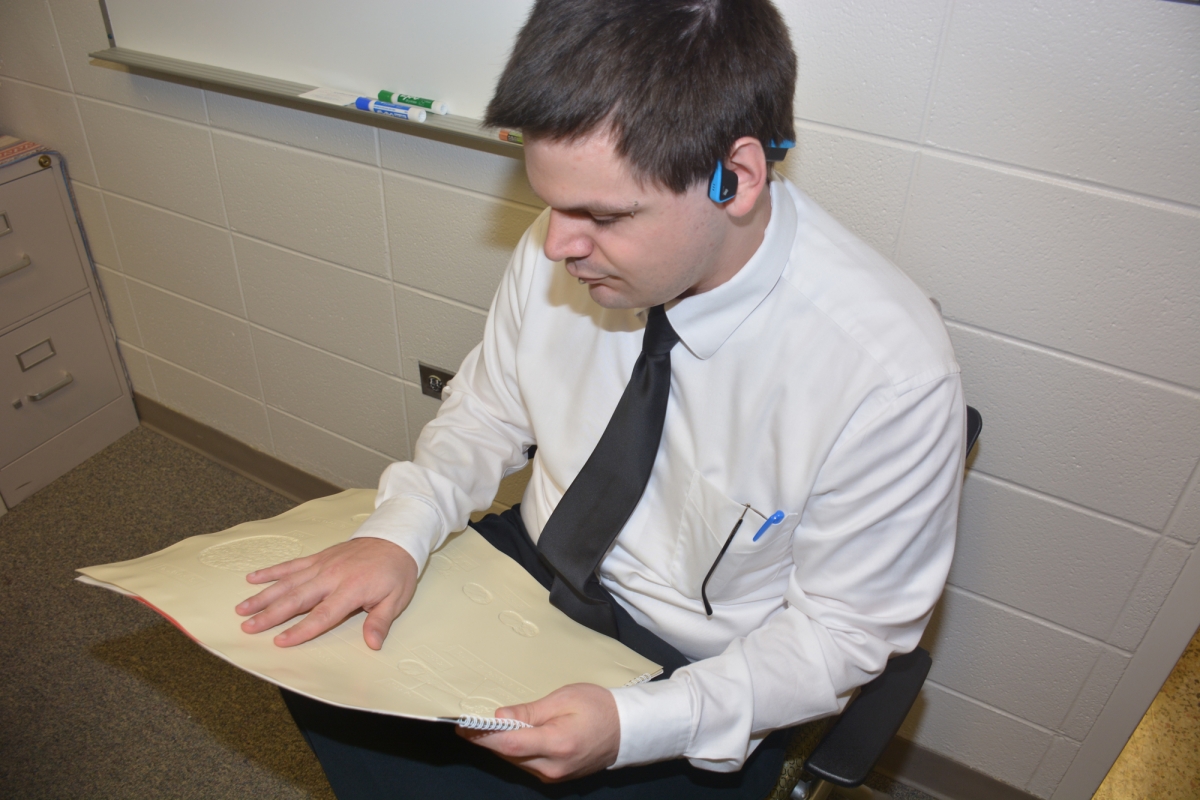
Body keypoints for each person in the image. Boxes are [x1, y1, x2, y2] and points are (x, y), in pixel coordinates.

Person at [235, 0, 965, 797]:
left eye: (604, 214)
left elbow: (837, 637)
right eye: (550, 201)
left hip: (702, 665)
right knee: (321, 668)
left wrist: (640, 724)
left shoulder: (887, 376)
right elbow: (486, 413)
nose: (556, 244)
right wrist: (399, 534)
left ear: (738, 177)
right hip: (535, 565)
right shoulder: (567, 249)